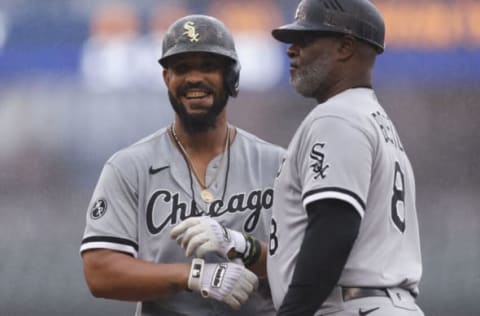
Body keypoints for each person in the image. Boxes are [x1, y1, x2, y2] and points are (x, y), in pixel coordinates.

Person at [80, 14, 284, 316]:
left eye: (208, 67)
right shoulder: (129, 167)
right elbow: (100, 271)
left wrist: (243, 246)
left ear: (231, 76)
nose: (194, 78)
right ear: (167, 79)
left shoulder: (277, 163)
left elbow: (308, 263)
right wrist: (192, 275)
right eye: (182, 68)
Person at [266, 0, 424, 315]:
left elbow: (333, 228)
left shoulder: (337, 118)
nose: (291, 50)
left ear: (345, 48)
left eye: (305, 40)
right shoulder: (373, 119)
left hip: (349, 306)